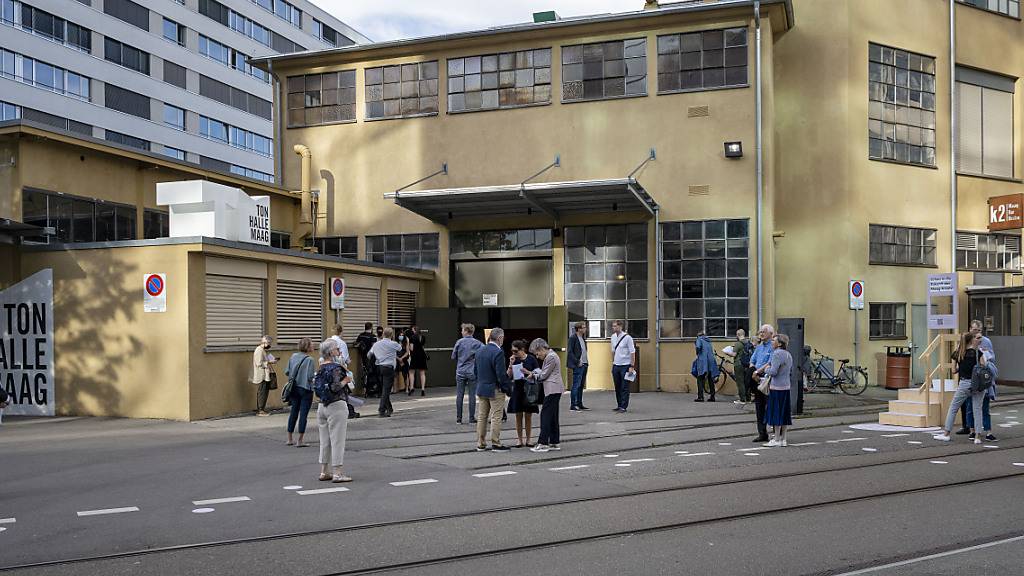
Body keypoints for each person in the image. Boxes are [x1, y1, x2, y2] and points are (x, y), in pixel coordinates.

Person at [935, 331, 988, 444]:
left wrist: (962, 368)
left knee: (954, 408)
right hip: (978, 384)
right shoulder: (978, 353)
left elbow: (954, 370)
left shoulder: (957, 354)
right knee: (977, 409)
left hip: (964, 384)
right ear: (972, 340)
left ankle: (946, 434)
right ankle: (977, 437)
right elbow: (984, 366)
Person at [314, 339, 353, 483]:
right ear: (331, 352)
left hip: (322, 406)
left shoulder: (321, 367)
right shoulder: (336, 368)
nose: (339, 351)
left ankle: (324, 471)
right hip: (336, 406)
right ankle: (338, 472)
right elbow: (336, 387)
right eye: (337, 349)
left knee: (325, 441)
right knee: (337, 440)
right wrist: (346, 380)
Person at [474, 327, 513, 452]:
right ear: (500, 338)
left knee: (482, 416)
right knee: (496, 416)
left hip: (481, 387)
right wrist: (507, 388)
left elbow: (475, 371)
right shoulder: (498, 352)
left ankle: (481, 443)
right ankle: (495, 443)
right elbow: (500, 374)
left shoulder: (480, 351)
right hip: (495, 389)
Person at [961, 319, 997, 441]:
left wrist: (984, 357)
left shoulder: (986, 342)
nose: (977, 333)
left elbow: (991, 357)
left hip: (983, 376)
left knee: (985, 405)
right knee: (970, 405)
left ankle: (988, 431)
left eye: (979, 330)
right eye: (974, 330)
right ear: (970, 329)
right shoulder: (966, 340)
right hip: (970, 377)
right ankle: (972, 430)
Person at [529, 338, 564, 453]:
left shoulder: (551, 357)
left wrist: (533, 375)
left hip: (552, 389)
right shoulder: (551, 356)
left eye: (537, 353)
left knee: (546, 415)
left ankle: (543, 442)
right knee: (553, 416)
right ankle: (554, 441)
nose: (537, 356)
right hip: (553, 389)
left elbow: (544, 375)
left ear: (541, 348)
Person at [760, 334, 794, 447]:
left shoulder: (776, 354)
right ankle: (784, 439)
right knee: (784, 413)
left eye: (773, 340)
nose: (771, 342)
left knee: (776, 413)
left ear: (779, 343)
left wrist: (766, 369)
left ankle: (776, 439)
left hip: (776, 387)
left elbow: (773, 372)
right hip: (786, 386)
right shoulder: (788, 355)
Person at [508, 339, 539, 447]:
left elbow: (538, 372)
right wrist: (511, 365)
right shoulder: (514, 360)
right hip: (518, 389)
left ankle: (529, 439)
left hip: (529, 389)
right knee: (518, 415)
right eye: (512, 351)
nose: (514, 353)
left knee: (528, 415)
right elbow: (508, 376)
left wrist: (528, 372)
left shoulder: (531, 359)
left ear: (522, 350)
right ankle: (519, 439)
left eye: (516, 351)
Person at [451, 323, 483, 424]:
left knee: (459, 395)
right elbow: (484, 354)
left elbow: (453, 356)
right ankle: (471, 418)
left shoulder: (459, 342)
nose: (461, 332)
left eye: (462, 330)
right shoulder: (478, 343)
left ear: (466, 331)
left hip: (460, 371)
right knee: (472, 395)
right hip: (472, 371)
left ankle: (458, 418)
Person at [369, 327, 403, 417]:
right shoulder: (393, 344)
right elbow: (400, 348)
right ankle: (381, 410)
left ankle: (389, 408)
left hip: (379, 367)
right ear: (391, 335)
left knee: (384, 389)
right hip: (388, 367)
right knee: (386, 390)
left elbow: (369, 354)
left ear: (383, 334)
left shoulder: (376, 344)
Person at [749, 324, 775, 442]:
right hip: (757, 379)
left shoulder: (773, 346)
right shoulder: (759, 347)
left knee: (770, 406)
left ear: (770, 333)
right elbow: (752, 360)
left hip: (767, 380)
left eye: (764, 331)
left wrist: (758, 371)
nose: (761, 334)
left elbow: (770, 363)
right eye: (760, 331)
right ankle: (762, 433)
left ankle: (776, 433)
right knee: (759, 406)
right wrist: (753, 370)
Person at [329, 324, 359, 419]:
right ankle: (350, 411)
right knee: (345, 391)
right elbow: (345, 359)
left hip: (329, 369)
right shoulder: (341, 343)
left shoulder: (327, 342)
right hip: (340, 370)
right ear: (341, 332)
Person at [610, 320, 636, 413]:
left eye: (615, 326)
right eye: (613, 326)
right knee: (617, 386)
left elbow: (632, 352)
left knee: (624, 387)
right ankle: (619, 404)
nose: (614, 328)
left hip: (625, 365)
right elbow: (613, 350)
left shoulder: (627, 338)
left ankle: (624, 406)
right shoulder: (613, 337)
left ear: (620, 326)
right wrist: (613, 362)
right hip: (616, 365)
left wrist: (632, 366)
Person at [566, 321, 590, 411]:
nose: (585, 329)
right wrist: (577, 362)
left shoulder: (582, 338)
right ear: (579, 329)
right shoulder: (573, 338)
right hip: (578, 364)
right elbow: (570, 352)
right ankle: (573, 404)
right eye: (583, 327)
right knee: (576, 384)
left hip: (585, 363)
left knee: (581, 385)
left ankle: (579, 403)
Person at [251, 335, 277, 416]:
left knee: (264, 391)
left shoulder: (262, 350)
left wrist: (270, 360)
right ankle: (260, 410)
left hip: (264, 374)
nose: (269, 345)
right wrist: (270, 362)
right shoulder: (259, 350)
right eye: (269, 343)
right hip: (261, 375)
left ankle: (261, 409)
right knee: (262, 392)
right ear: (265, 342)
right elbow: (259, 363)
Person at [693, 331, 720, 402]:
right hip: (711, 361)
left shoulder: (699, 339)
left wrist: (697, 352)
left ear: (698, 336)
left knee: (700, 378)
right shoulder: (708, 341)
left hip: (703, 360)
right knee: (710, 378)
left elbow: (698, 347)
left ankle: (700, 397)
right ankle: (712, 396)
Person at [355, 322, 379, 398]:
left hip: (362, 357)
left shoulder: (361, 335)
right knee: (371, 374)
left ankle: (365, 390)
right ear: (371, 328)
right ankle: (370, 390)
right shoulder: (373, 337)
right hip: (371, 358)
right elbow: (374, 348)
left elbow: (356, 344)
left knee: (365, 373)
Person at [729, 329, 753, 405]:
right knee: (747, 382)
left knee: (740, 382)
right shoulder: (748, 342)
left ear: (738, 335)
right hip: (747, 364)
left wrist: (727, 353)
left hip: (739, 364)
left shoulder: (738, 344)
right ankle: (748, 399)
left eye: (737, 334)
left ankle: (742, 399)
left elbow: (734, 354)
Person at [405, 325, 428, 396]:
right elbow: (422, 347)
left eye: (412, 330)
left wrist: (408, 344)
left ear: (414, 330)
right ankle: (423, 389)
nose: (412, 331)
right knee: (422, 373)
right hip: (422, 356)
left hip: (414, 356)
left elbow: (411, 349)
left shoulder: (412, 337)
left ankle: (411, 387)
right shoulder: (423, 337)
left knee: (411, 372)